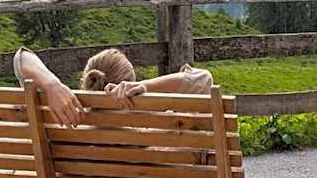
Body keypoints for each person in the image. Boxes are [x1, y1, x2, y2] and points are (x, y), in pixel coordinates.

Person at [13, 45, 213, 126]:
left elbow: (21, 58)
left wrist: (53, 86)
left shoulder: (64, 122)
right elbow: (203, 80)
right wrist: (145, 87)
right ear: (130, 84)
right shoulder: (157, 128)